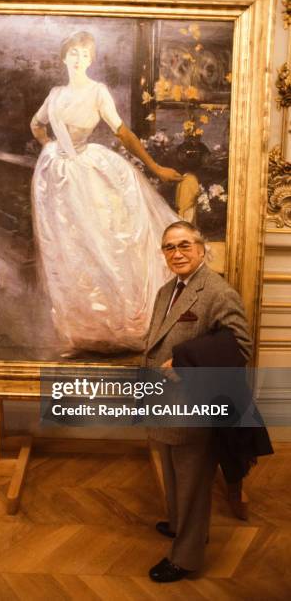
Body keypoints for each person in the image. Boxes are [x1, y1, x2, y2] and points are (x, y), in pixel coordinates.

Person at [30, 31, 182, 355]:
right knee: (67, 250)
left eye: (85, 54)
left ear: (92, 59)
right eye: (73, 52)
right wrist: (51, 150)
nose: (79, 59)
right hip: (56, 176)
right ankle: (81, 331)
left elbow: (123, 132)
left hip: (89, 172)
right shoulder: (55, 93)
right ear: (63, 56)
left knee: (103, 244)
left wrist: (154, 168)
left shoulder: (98, 92)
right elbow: (37, 124)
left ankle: (119, 325)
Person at [143, 220, 252, 583]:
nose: (177, 253)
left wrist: (187, 360)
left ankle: (186, 557)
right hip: (164, 402)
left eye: (184, 245)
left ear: (202, 249)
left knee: (191, 481)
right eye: (170, 247)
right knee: (173, 474)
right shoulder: (166, 290)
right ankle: (179, 524)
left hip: (193, 404)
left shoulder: (217, 292)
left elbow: (241, 345)